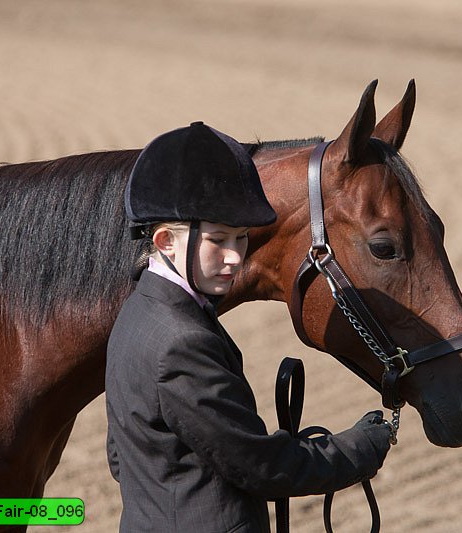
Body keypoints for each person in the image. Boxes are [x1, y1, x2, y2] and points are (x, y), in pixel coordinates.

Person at [105, 122, 392, 532]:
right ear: (166, 240)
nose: (234, 257)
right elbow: (263, 467)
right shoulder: (181, 344)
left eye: (240, 239)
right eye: (218, 240)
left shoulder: (136, 314)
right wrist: (359, 449)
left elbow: (122, 457)